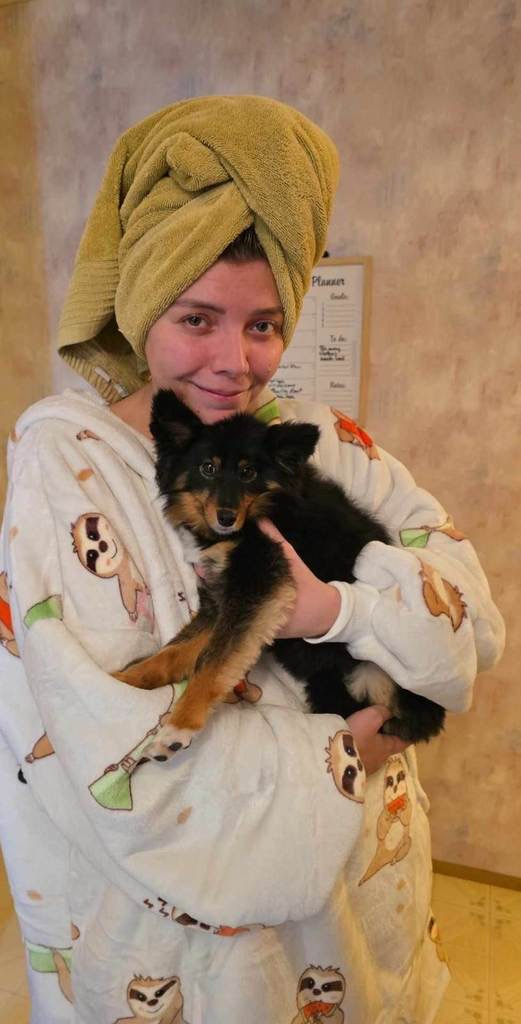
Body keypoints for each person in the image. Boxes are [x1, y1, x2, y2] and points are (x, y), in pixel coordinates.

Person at [0, 96, 504, 1024]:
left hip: (356, 899)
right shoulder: (60, 463)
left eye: (265, 324)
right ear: (141, 300)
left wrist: (349, 616)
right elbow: (111, 749)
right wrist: (360, 743)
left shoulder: (306, 439)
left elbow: (471, 616)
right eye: (196, 318)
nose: (234, 361)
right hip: (187, 949)